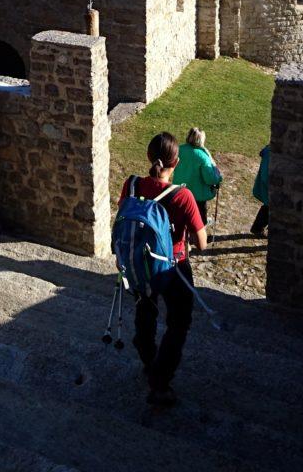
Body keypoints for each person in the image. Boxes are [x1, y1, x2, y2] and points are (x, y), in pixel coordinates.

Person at [118, 132, 207, 407]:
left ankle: (147, 358)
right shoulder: (183, 196)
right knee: (178, 323)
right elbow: (201, 243)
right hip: (174, 268)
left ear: (148, 157)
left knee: (146, 308)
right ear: (176, 162)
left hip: (140, 263)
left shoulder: (132, 185)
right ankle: (160, 381)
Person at [175, 126, 223, 225]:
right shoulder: (203, 156)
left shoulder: (179, 150)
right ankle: (201, 227)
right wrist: (218, 178)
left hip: (180, 189)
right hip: (198, 194)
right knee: (200, 215)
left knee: (182, 212)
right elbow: (209, 179)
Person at [250, 143, 270, 237]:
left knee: (268, 207)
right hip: (268, 185)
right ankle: (257, 229)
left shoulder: (268, 151)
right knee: (268, 207)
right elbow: (266, 174)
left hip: (267, 184)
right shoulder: (270, 153)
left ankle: (257, 228)